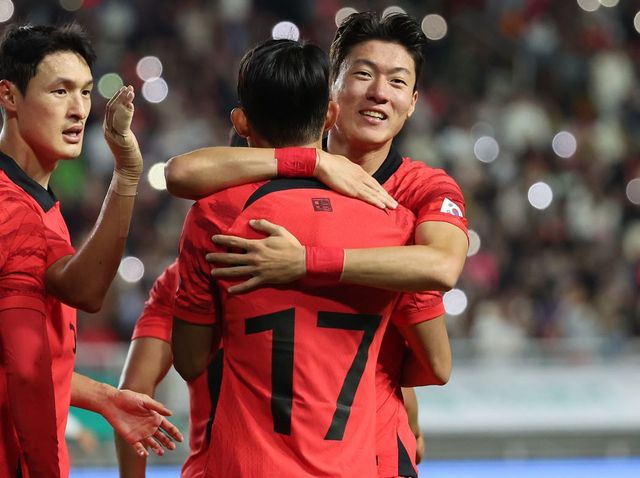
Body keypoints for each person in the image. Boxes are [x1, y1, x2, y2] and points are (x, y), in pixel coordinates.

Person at [165, 11, 466, 477]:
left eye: (397, 82)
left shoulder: (422, 190)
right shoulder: (395, 223)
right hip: (347, 451)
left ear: (412, 103)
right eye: (363, 74)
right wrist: (312, 162)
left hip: (335, 444)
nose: (379, 92)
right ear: (331, 94)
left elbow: (443, 265)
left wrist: (306, 262)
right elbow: (437, 364)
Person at [0, 23, 182, 477]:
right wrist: (128, 174)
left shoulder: (32, 202)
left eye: (84, 92)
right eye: (60, 91)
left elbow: (36, 344)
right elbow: (25, 369)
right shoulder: (11, 209)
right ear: (9, 96)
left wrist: (104, 398)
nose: (79, 109)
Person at [116, 260, 219, 478]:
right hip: (290, 463)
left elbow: (133, 393)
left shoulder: (183, 274)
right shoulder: (288, 265)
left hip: (209, 470)